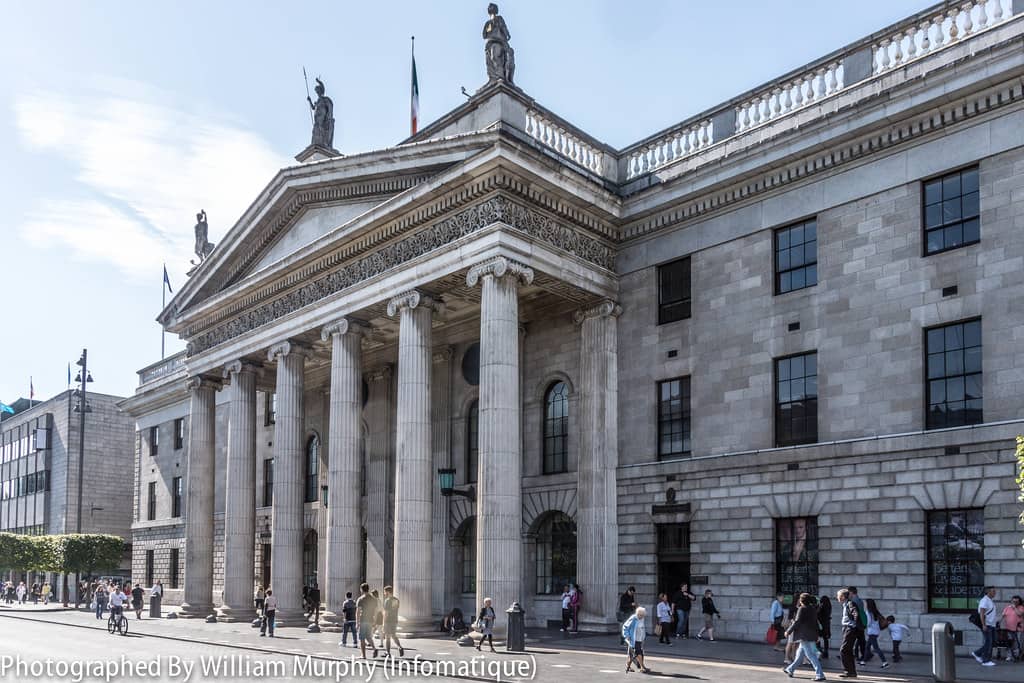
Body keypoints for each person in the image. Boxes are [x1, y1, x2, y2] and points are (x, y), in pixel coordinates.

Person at [783, 592, 826, 681]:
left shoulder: (801, 609)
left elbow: (797, 621)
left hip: (804, 635)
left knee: (811, 655)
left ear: (801, 600)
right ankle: (790, 669)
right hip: (811, 634)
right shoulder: (812, 608)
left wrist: (788, 631)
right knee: (799, 655)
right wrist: (817, 634)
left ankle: (820, 675)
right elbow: (815, 622)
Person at [972, 586, 998, 667]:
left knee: (992, 642)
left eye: (995, 591)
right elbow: (982, 614)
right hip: (987, 625)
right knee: (988, 642)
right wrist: (984, 625)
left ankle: (978, 654)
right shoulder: (984, 600)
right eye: (993, 591)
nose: (995, 593)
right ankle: (985, 660)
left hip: (992, 624)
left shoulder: (990, 600)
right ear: (988, 592)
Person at [837, 588, 859, 678]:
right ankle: (852, 672)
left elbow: (855, 613)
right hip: (847, 628)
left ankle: (848, 671)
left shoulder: (850, 603)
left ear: (842, 596)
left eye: (838, 596)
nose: (837, 597)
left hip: (850, 628)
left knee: (843, 650)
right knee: (848, 651)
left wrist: (854, 624)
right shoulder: (845, 604)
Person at [622, 606, 651, 673]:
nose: (641, 617)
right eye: (639, 615)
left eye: (642, 615)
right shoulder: (633, 618)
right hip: (633, 640)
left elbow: (642, 629)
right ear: (637, 613)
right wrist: (627, 636)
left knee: (632, 655)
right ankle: (642, 667)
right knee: (639, 653)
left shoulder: (642, 619)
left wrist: (643, 638)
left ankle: (628, 666)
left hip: (639, 639)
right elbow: (625, 627)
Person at [860, 599, 888, 668]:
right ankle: (863, 661)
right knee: (867, 647)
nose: (865, 605)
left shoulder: (868, 612)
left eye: (865, 603)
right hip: (876, 631)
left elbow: (868, 623)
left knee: (876, 648)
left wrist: (864, 624)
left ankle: (885, 662)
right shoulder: (876, 612)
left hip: (872, 632)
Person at [356, 583, 379, 659]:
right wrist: (375, 621)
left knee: (362, 638)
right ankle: (374, 649)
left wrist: (357, 623)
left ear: (361, 589)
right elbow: (376, 611)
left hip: (363, 620)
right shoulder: (373, 599)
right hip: (370, 620)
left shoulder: (360, 599)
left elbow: (358, 612)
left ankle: (363, 655)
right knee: (368, 637)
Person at [381, 586, 405, 658]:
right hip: (394, 620)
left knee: (387, 637)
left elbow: (386, 613)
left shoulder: (387, 600)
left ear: (388, 592)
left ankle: (388, 652)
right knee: (393, 635)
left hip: (388, 621)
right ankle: (399, 647)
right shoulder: (396, 600)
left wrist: (383, 623)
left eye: (385, 592)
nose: (384, 593)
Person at [1000, 595, 1023, 661]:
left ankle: (1017, 656)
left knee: (1017, 643)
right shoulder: (1007, 608)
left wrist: (1014, 608)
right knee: (1009, 643)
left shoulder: (1021, 607)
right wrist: (999, 622)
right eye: (1013, 601)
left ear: (1019, 602)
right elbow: (1003, 616)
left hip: (1018, 629)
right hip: (1008, 629)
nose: (1015, 602)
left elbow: (1020, 614)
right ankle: (1009, 656)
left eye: (1016, 601)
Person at [848, 587, 867, 663]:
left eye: (848, 593)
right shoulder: (859, 600)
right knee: (861, 640)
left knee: (853, 640)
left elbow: (855, 613)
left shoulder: (853, 601)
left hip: (856, 624)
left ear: (851, 592)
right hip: (860, 623)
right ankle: (862, 655)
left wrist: (854, 622)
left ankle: (855, 655)